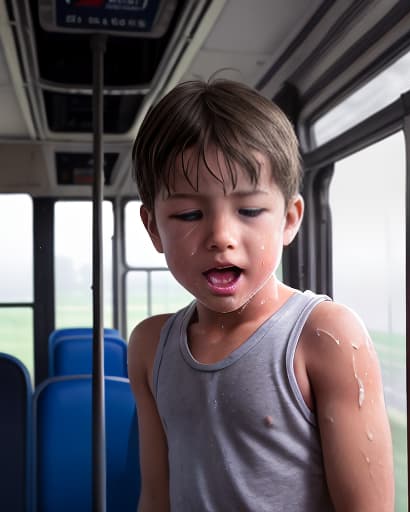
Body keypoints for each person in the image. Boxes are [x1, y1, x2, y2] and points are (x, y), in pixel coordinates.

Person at [128, 78, 394, 511]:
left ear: (289, 219)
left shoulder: (325, 337)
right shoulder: (149, 346)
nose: (221, 236)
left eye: (249, 210)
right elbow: (157, 496)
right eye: (188, 214)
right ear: (154, 228)